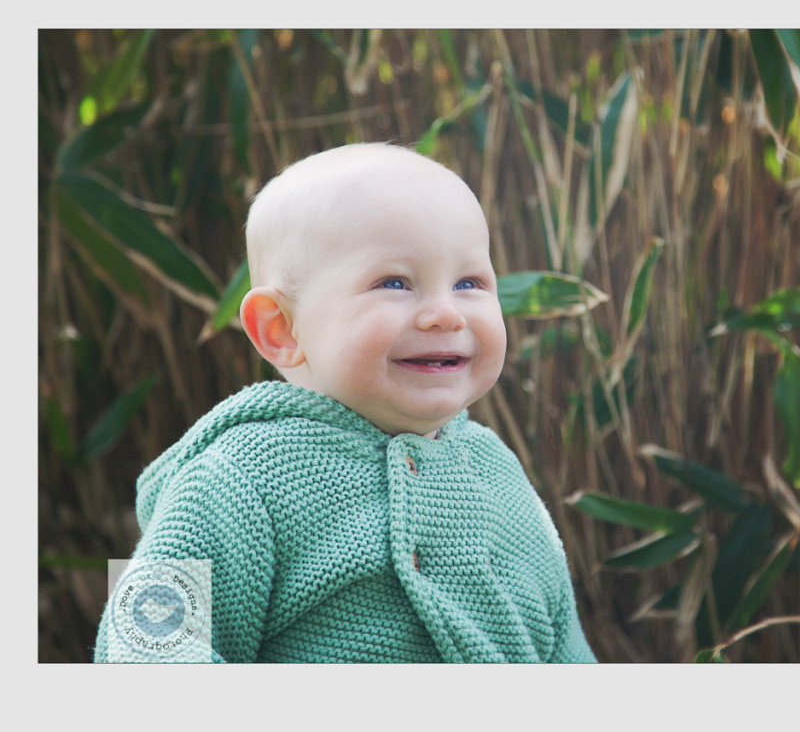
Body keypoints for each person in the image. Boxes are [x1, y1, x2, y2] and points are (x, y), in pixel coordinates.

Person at [93, 143, 597, 663]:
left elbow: (566, 649)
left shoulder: (498, 470)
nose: (445, 313)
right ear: (281, 329)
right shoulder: (241, 479)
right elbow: (144, 648)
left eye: (469, 282)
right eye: (395, 283)